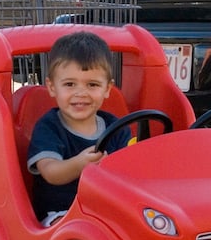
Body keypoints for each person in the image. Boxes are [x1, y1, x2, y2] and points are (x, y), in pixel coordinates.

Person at [26, 31, 132, 226]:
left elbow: (131, 174)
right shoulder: (49, 127)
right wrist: (81, 164)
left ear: (107, 89)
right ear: (51, 87)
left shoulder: (117, 128)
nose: (81, 93)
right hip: (59, 212)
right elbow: (51, 172)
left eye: (92, 84)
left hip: (106, 212)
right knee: (75, 226)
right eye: (70, 84)